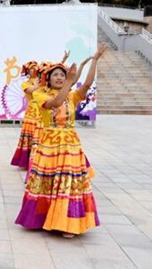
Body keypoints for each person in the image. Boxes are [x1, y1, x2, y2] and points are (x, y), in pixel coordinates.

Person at [15, 44, 107, 238]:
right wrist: (70, 82)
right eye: (55, 75)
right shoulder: (40, 94)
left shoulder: (71, 96)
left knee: (68, 182)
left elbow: (87, 85)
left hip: (70, 145)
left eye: (62, 75)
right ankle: (44, 217)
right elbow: (55, 103)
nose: (59, 77)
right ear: (47, 79)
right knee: (48, 181)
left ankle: (66, 221)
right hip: (49, 143)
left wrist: (95, 60)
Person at [10, 61, 39, 169]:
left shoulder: (43, 81)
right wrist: (39, 82)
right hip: (32, 112)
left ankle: (39, 160)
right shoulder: (25, 84)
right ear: (28, 71)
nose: (34, 70)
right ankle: (28, 161)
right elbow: (31, 90)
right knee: (31, 136)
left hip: (42, 110)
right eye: (31, 68)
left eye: (36, 68)